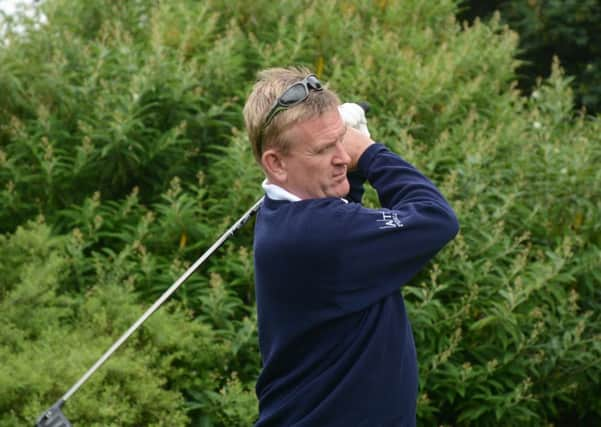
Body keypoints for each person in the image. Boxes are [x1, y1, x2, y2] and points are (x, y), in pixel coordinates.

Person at [243, 66, 459, 427]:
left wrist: (348, 167)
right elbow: (436, 218)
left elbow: (345, 213)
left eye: (340, 140)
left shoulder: (288, 216)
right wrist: (371, 153)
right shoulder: (317, 235)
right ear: (276, 164)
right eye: (325, 149)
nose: (343, 156)